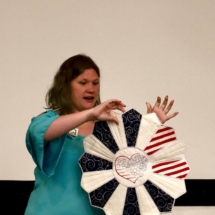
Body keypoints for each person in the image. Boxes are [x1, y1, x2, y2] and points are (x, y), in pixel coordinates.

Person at [25, 54, 178, 215]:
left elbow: (136, 170)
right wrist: (90, 114)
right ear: (65, 86)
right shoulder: (49, 120)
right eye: (83, 83)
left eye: (95, 83)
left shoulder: (111, 127)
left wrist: (150, 128)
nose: (91, 89)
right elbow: (39, 132)